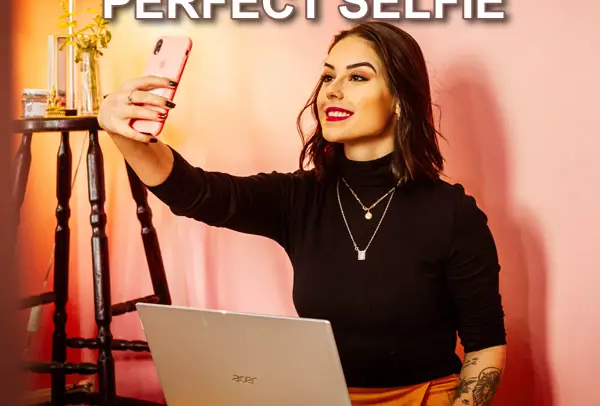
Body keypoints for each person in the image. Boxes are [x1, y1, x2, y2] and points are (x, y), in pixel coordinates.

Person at [98, 21, 507, 406]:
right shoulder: (298, 197)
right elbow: (195, 193)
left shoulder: (453, 213)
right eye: (329, 76)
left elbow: (484, 342)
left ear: (400, 100)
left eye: (358, 77)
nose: (332, 90)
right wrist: (124, 132)